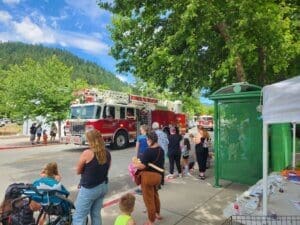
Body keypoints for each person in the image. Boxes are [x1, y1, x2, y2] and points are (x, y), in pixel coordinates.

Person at [73, 129, 111, 225]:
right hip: (103, 186)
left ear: (91, 141)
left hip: (90, 189)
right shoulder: (107, 153)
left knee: (79, 216)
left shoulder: (87, 153)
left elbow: (78, 171)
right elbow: (106, 169)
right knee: (95, 214)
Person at [133, 131, 164, 225]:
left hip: (148, 178)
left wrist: (135, 165)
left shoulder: (148, 151)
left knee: (148, 199)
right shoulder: (160, 150)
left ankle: (151, 220)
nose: (146, 141)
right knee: (155, 195)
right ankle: (157, 213)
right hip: (158, 177)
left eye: (147, 139)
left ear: (150, 140)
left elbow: (142, 166)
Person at [152, 122, 169, 186]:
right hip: (163, 152)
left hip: (156, 152)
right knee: (161, 166)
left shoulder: (153, 134)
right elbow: (167, 142)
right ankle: (162, 181)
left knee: (156, 167)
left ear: (153, 128)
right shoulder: (164, 133)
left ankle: (157, 182)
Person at [135, 124, 148, 195]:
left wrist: (136, 157)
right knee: (146, 170)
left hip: (141, 155)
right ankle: (146, 187)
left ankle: (141, 188)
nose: (140, 130)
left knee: (140, 171)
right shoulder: (149, 137)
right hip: (148, 155)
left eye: (140, 129)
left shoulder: (139, 137)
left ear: (143, 129)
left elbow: (137, 147)